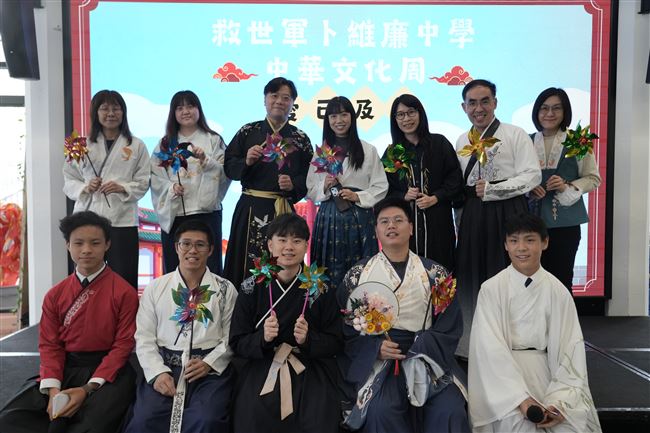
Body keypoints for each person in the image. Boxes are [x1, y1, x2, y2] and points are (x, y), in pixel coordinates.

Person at [337, 197, 470, 433]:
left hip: (428, 355)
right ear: (376, 231)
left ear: (411, 228)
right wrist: (375, 347)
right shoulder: (358, 275)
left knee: (450, 408)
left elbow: (450, 323)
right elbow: (346, 327)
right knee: (380, 410)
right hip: (382, 358)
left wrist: (422, 345)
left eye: (398, 220)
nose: (391, 226)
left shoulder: (436, 273)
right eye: (384, 221)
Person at [0, 211, 139, 433]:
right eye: (78, 243)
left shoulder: (124, 293)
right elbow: (50, 345)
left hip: (108, 371)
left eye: (95, 243)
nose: (86, 250)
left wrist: (87, 388)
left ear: (107, 245)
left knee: (90, 426)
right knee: (10, 418)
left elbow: (123, 346)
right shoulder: (55, 295)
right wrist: (53, 389)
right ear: (67, 245)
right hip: (65, 367)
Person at [468, 213, 601, 432]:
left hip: (548, 371)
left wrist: (559, 402)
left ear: (545, 242)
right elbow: (489, 347)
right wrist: (521, 400)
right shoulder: (491, 289)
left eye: (529, 240)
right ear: (506, 245)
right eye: (514, 241)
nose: (521, 248)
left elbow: (570, 346)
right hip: (501, 379)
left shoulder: (558, 291)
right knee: (519, 425)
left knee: (569, 426)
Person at [229, 213, 342, 433]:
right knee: (252, 414)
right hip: (263, 363)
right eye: (282, 240)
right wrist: (262, 338)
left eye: (297, 240)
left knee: (317, 417)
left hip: (309, 365)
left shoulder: (321, 288)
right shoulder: (251, 287)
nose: (289, 247)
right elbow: (237, 341)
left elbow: (337, 341)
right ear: (270, 245)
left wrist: (309, 340)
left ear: (306, 246)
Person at [124, 220, 238, 433]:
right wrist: (157, 373)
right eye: (186, 244)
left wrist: (209, 363)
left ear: (211, 250)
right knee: (144, 420)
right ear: (176, 247)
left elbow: (232, 336)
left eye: (200, 245)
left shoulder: (225, 289)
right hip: (166, 367)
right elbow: (144, 337)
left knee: (206, 420)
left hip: (208, 372)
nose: (192, 250)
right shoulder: (156, 288)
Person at [454, 79, 541, 356]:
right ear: (464, 107)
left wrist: (494, 190)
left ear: (495, 103)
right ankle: (472, 345)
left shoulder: (515, 134)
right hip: (473, 215)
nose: (478, 108)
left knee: (507, 273)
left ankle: (513, 342)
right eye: (472, 103)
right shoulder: (461, 140)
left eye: (485, 101)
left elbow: (532, 176)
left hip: (509, 212)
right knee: (471, 274)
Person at [224, 77, 313, 290]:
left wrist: (293, 184)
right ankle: (243, 307)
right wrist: (246, 161)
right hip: (249, 208)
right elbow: (228, 167)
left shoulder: (300, 138)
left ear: (293, 103)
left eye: (286, 98)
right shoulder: (248, 131)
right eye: (274, 96)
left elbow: (311, 177)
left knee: (284, 264)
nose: (279, 101)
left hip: (282, 211)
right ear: (265, 99)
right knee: (245, 267)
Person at [63, 90, 150, 289]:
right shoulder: (80, 145)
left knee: (124, 278)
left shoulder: (136, 145)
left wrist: (122, 187)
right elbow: (69, 179)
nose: (111, 113)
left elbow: (144, 181)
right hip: (88, 219)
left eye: (116, 108)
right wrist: (86, 187)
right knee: (86, 276)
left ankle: (124, 310)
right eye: (104, 108)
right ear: (95, 112)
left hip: (123, 221)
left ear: (123, 112)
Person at [307, 96, 388, 289]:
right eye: (333, 116)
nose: (339, 120)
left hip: (359, 218)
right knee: (326, 273)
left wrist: (357, 196)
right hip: (328, 219)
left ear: (352, 117)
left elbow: (381, 186)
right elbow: (310, 189)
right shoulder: (321, 153)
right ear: (327, 120)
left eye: (344, 115)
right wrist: (324, 186)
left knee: (360, 273)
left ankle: (362, 306)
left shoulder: (368, 150)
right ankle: (326, 306)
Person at [528, 87, 601, 292]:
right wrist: (529, 187)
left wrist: (567, 186)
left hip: (566, 223)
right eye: (544, 108)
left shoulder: (578, 141)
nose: (549, 113)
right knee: (530, 281)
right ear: (537, 111)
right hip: (530, 221)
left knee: (561, 280)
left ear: (565, 111)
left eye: (556, 108)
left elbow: (593, 178)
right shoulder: (526, 140)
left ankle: (563, 314)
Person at [151, 90, 231, 275]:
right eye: (179, 108)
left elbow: (226, 173)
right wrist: (171, 188)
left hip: (206, 213)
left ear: (198, 109)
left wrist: (205, 160)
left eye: (190, 106)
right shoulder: (165, 144)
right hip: (176, 213)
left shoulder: (213, 140)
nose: (185, 111)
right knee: (175, 268)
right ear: (173, 113)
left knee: (209, 268)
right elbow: (155, 177)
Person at [384, 94, 463, 270]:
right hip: (406, 225)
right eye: (400, 115)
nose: (406, 119)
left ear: (420, 113)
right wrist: (403, 196)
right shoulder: (392, 153)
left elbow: (455, 179)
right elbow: (384, 189)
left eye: (411, 112)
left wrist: (436, 197)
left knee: (440, 271)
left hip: (438, 221)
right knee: (408, 272)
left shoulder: (439, 143)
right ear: (395, 119)